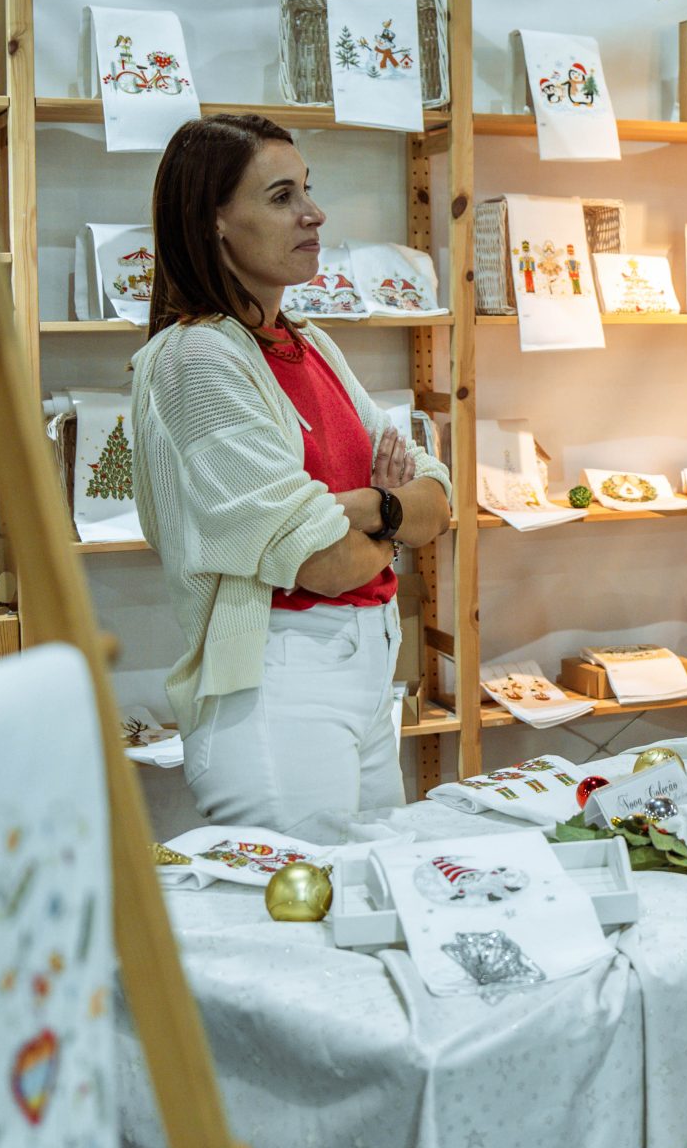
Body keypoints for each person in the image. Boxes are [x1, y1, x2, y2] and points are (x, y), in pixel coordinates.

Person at [131, 112, 452, 838]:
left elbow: (436, 494)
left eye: (307, 188)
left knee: (369, 886)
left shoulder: (311, 345)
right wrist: (391, 515)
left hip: (364, 672)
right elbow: (322, 564)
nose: (314, 213)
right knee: (313, 896)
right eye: (282, 197)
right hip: (277, 683)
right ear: (212, 222)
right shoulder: (197, 359)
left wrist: (365, 506)